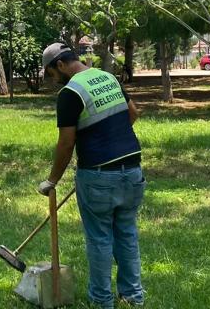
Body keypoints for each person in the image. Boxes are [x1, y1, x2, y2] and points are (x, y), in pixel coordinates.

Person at [38, 42, 146, 308]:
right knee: (127, 234)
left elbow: (66, 143)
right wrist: (110, 138)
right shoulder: (107, 77)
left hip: (98, 177)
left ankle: (102, 300)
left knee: (99, 239)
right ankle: (133, 297)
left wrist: (52, 181)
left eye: (51, 73)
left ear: (60, 65)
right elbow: (133, 113)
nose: (53, 80)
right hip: (132, 172)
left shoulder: (70, 93)